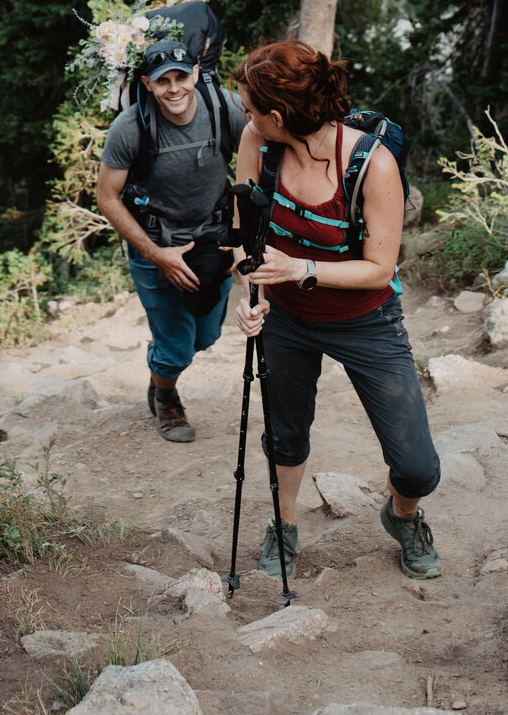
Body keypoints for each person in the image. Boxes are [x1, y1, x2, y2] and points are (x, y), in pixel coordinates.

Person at [233, 40, 441, 582]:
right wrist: (248, 296)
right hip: (284, 317)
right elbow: (245, 237)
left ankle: (403, 516)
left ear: (279, 115)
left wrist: (300, 269)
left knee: (418, 467)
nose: (244, 117)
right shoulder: (258, 142)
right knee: (285, 434)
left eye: (250, 108)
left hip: (366, 320)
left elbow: (379, 268)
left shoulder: (374, 166)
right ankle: (284, 526)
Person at [97, 38, 248, 442]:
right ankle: (166, 395)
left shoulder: (225, 107)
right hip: (154, 244)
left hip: (212, 239)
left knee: (206, 336)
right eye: (163, 81)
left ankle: (161, 362)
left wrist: (240, 238)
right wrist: (155, 253)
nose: (175, 88)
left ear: (196, 74)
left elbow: (257, 167)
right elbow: (106, 195)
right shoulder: (130, 128)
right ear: (147, 83)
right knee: (178, 347)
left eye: (182, 76)